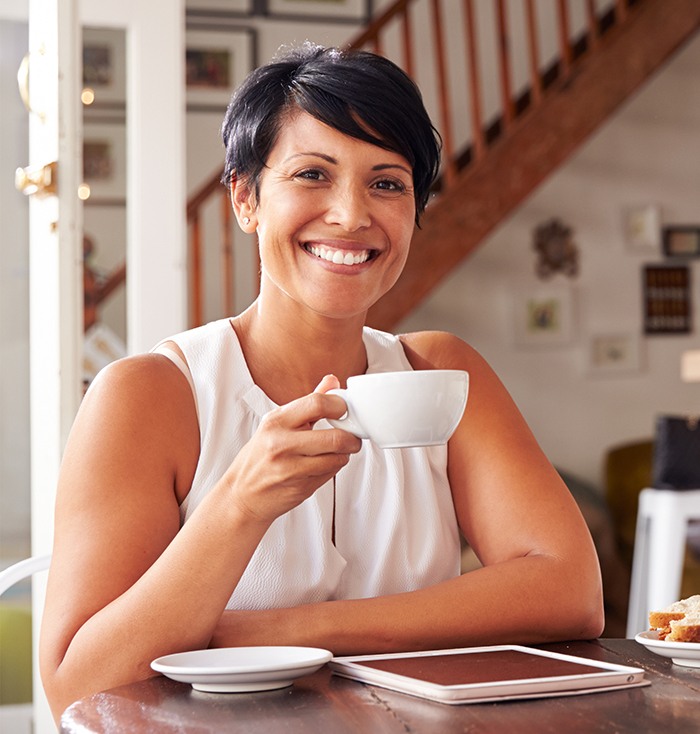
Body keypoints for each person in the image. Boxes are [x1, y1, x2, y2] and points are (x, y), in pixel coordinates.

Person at [40, 43, 604, 721]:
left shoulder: (440, 373)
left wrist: (278, 631)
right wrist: (239, 505)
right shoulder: (151, 395)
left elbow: (571, 592)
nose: (350, 215)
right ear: (245, 199)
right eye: (312, 174)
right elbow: (75, 685)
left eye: (387, 183)